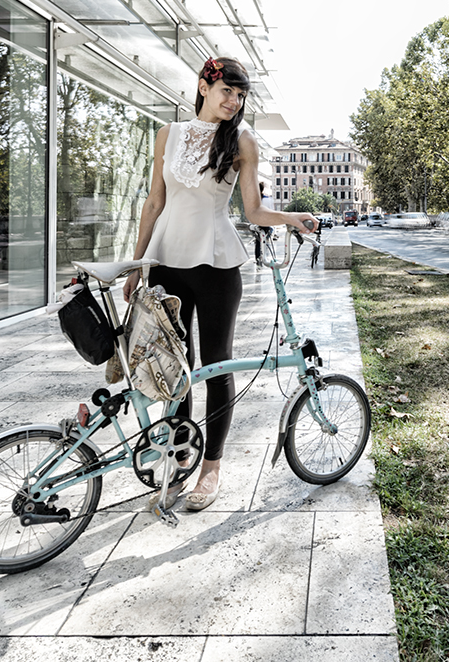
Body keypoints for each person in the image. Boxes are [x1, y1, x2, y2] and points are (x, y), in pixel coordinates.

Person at [124, 56, 317, 510]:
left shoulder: (242, 141)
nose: (234, 101)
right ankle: (179, 457)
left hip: (216, 268)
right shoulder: (167, 135)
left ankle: (211, 468)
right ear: (204, 86)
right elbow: (154, 202)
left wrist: (294, 217)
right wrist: (136, 265)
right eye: (227, 90)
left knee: (216, 366)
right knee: (175, 369)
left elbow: (252, 211)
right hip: (166, 263)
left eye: (240, 94)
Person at [253, 181, 275, 264]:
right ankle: (263, 257)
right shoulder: (268, 199)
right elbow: (271, 211)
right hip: (266, 222)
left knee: (258, 242)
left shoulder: (255, 199)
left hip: (257, 223)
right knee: (265, 240)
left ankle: (258, 258)